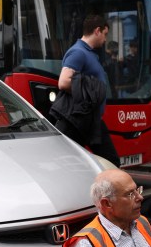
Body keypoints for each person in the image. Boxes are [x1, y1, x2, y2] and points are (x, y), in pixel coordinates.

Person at [51, 14, 120, 166]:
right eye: (105, 34)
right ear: (97, 31)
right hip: (80, 119)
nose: (105, 39)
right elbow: (63, 82)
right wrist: (91, 93)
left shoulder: (88, 53)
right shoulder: (78, 52)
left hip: (89, 119)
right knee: (112, 162)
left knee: (74, 162)